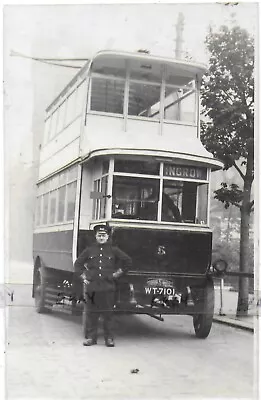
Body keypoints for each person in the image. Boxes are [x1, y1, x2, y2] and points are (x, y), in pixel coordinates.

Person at [74, 224, 132, 347]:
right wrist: (83, 277)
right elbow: (77, 264)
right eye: (99, 235)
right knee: (91, 313)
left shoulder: (113, 250)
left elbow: (128, 261)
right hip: (93, 287)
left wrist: (116, 274)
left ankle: (109, 339)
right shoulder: (89, 250)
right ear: (95, 236)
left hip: (108, 286)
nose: (101, 237)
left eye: (104, 235)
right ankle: (91, 338)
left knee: (108, 314)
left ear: (108, 236)